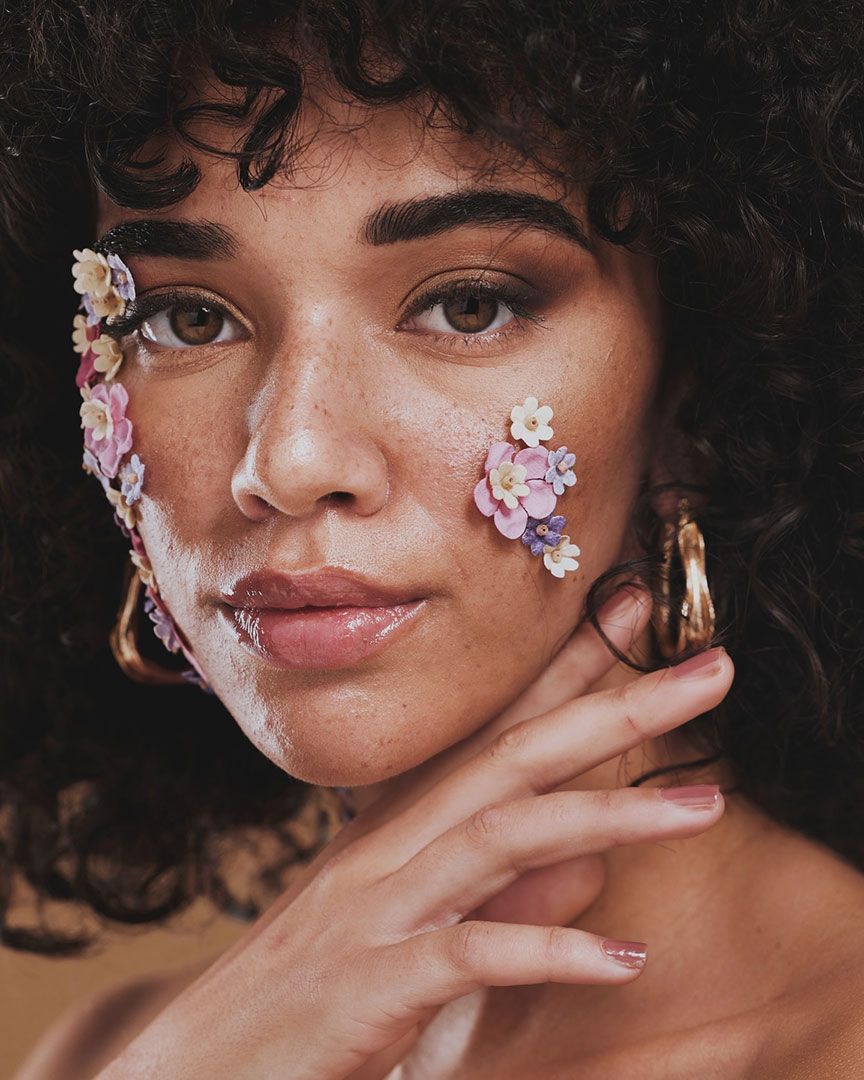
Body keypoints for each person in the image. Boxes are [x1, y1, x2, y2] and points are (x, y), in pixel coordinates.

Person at [3, 1, 863, 1077]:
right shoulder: (122, 1053)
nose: (292, 460)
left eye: (465, 306)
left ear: (696, 391)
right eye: (188, 319)